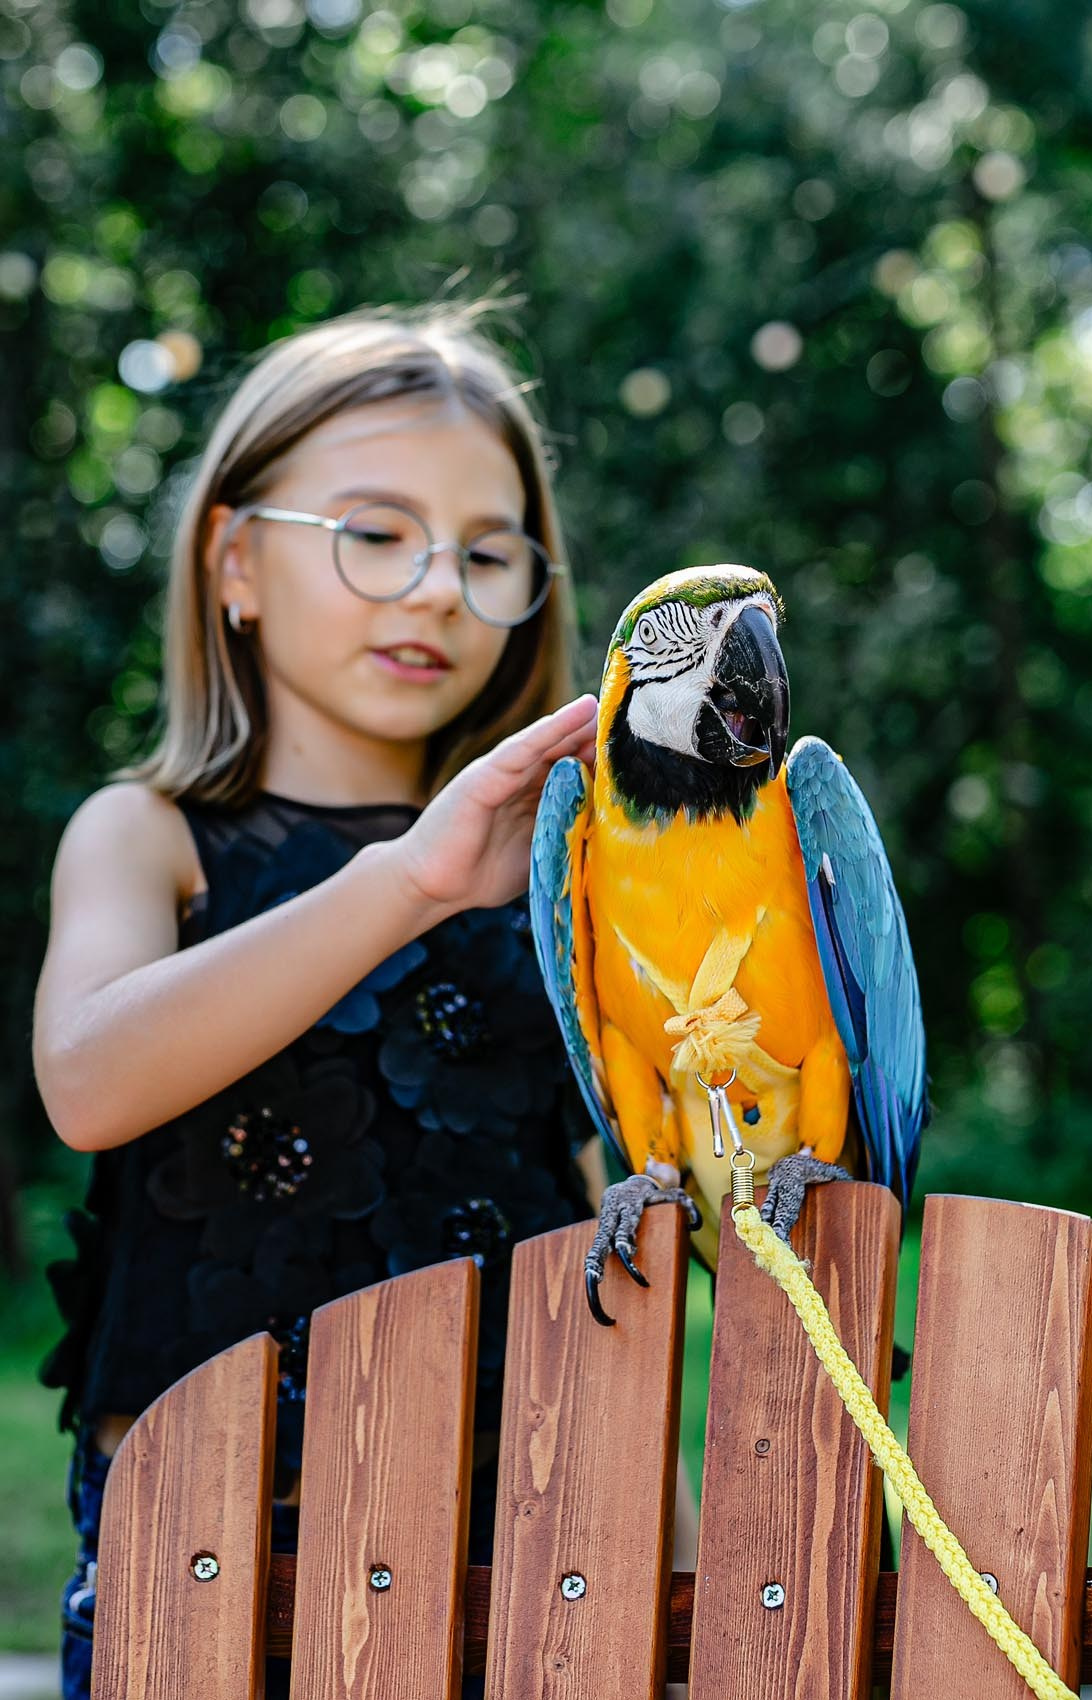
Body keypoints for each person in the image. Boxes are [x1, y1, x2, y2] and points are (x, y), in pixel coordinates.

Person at [32, 296, 602, 1700]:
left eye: (485, 554)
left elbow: (589, 1225)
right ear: (235, 562)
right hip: (212, 1560)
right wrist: (404, 883)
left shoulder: (557, 879)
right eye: (373, 534)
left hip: (507, 1559)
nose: (432, 590)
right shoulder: (150, 833)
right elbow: (90, 1081)